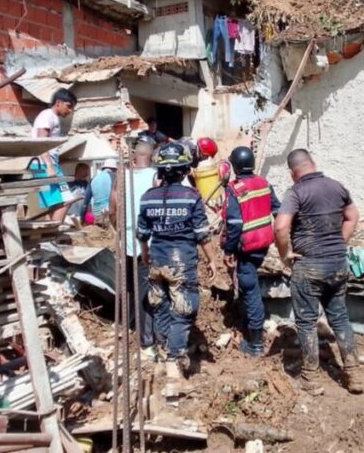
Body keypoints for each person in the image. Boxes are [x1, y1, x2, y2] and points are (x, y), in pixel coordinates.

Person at [274, 149, 364, 394]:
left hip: (309, 265)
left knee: (306, 322)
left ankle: (311, 378)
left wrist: (285, 255)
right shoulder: (337, 187)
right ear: (313, 164)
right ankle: (354, 374)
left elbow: (281, 227)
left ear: (293, 173)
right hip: (337, 263)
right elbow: (352, 216)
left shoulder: (296, 192)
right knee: (340, 318)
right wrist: (340, 243)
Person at [137, 142, 217, 380]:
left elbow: (143, 234)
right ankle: (174, 365)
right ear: (184, 170)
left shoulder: (147, 198)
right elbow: (202, 234)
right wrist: (212, 260)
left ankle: (162, 357)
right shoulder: (191, 197)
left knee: (160, 309)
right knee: (183, 312)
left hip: (157, 262)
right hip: (181, 263)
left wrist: (144, 254)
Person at [221, 146, 281, 357]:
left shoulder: (234, 189)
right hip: (264, 244)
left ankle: (255, 344)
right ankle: (250, 322)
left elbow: (235, 224)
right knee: (249, 289)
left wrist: (228, 250)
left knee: (250, 292)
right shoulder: (264, 183)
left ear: (235, 166)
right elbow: (278, 210)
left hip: (246, 249)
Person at [109, 137, 158, 359]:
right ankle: (146, 340)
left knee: (129, 286)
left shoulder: (122, 175)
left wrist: (118, 229)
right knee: (145, 290)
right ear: (151, 155)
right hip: (147, 242)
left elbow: (113, 207)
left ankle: (126, 324)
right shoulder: (155, 177)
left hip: (126, 239)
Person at [32, 88, 77, 222]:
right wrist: (50, 166)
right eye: (68, 106)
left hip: (47, 164)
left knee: (55, 204)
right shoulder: (47, 116)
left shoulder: (52, 118)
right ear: (58, 103)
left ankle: (48, 239)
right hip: (44, 165)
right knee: (67, 200)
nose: (69, 111)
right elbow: (41, 142)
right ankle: (52, 237)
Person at [84, 156, 117, 225]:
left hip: (97, 215)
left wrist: (82, 216)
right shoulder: (115, 177)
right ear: (114, 169)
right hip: (111, 214)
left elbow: (86, 200)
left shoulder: (94, 179)